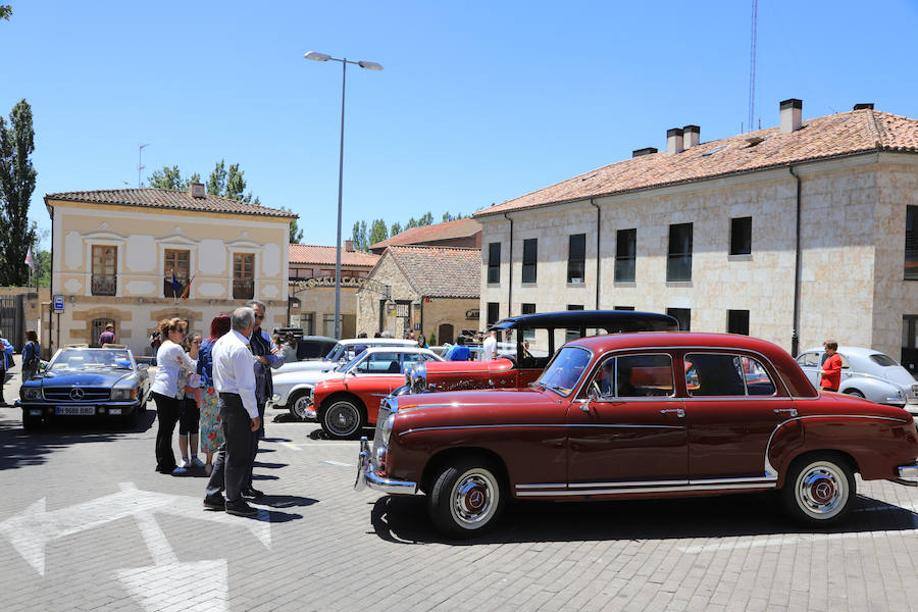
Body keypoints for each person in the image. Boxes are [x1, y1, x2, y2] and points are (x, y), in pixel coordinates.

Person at [204, 307, 261, 517]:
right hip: (238, 404)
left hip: (226, 400)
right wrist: (254, 414)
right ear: (249, 326)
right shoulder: (240, 348)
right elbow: (246, 387)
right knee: (238, 454)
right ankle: (234, 500)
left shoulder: (221, 342)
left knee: (227, 450)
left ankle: (213, 494)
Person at [242, 300, 284, 498]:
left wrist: (266, 358)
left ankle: (247, 483)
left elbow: (279, 359)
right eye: (254, 315)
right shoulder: (238, 337)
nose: (257, 320)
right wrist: (257, 359)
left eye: (260, 316)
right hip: (240, 396)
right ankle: (232, 488)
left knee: (253, 444)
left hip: (259, 395)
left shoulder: (265, 337)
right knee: (237, 445)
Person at [150, 318, 198, 475]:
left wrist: (184, 364)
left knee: (163, 429)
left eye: (183, 331)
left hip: (161, 390)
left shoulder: (165, 346)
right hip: (168, 392)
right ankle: (167, 465)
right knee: (167, 429)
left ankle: (162, 462)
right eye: (180, 331)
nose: (183, 335)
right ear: (170, 332)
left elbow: (185, 365)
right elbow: (191, 365)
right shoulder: (175, 348)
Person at [198, 314, 231, 475]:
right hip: (224, 389)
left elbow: (199, 368)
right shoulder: (228, 344)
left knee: (208, 426)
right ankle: (224, 461)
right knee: (225, 425)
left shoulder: (204, 344)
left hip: (207, 390)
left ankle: (208, 462)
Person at [173, 333, 205, 475]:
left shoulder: (203, 359)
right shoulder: (184, 359)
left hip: (198, 399)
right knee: (184, 427)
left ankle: (194, 457)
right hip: (185, 397)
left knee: (195, 427)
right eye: (196, 342)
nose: (198, 345)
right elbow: (179, 380)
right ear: (189, 344)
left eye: (200, 342)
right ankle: (185, 458)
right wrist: (192, 388)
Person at [0, 335, 12, 407]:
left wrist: (3, 348)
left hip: (2, 368)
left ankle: (1, 400)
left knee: (1, 384)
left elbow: (11, 349)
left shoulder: (3, 341)